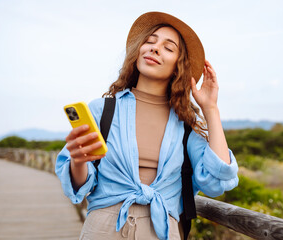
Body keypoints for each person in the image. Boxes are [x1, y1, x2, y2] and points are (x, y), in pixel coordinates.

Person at [55, 11, 239, 240]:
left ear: (178, 67)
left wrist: (210, 109)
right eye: (150, 42)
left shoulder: (185, 127)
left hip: (162, 231)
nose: (154, 48)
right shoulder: (102, 110)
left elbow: (217, 181)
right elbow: (78, 185)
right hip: (102, 229)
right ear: (139, 51)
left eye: (168, 48)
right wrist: (78, 161)